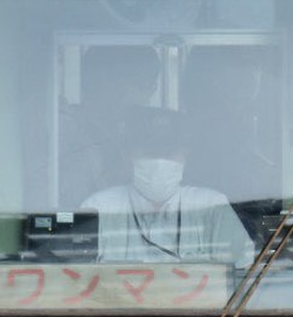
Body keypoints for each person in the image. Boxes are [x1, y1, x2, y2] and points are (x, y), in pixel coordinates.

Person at [82, 107, 254, 269]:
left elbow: (241, 272)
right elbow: (78, 276)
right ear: (127, 155)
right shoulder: (100, 207)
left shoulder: (212, 206)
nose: (160, 161)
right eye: (150, 153)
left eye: (169, 153)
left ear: (185, 155)